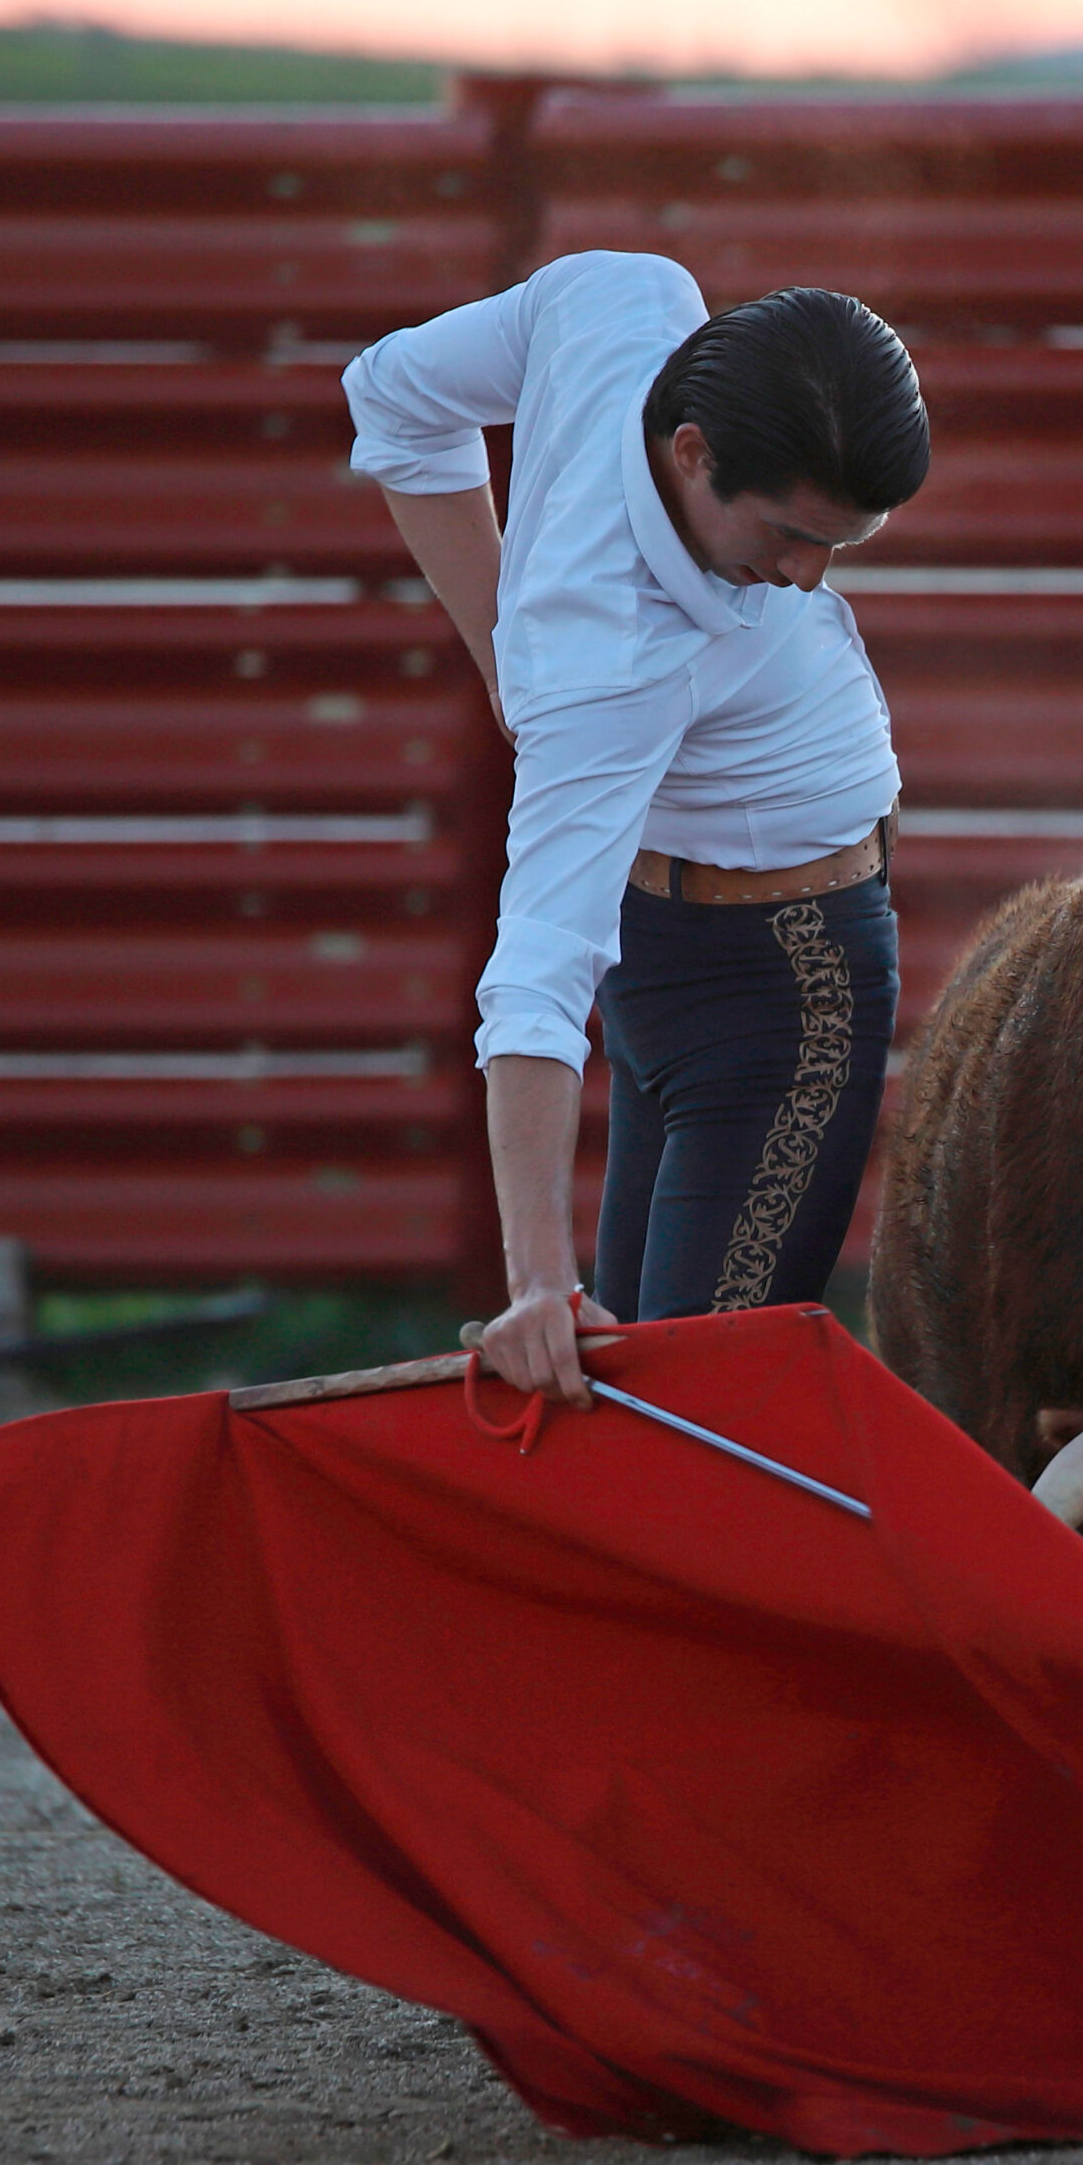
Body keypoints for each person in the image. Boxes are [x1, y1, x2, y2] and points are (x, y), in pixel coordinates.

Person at [343, 252, 930, 1405]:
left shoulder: (624, 297)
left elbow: (391, 395)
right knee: (690, 1412)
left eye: (840, 545)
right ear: (692, 451)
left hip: (688, 947)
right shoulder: (609, 665)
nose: (808, 579)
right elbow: (533, 979)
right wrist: (535, 1281)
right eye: (787, 534)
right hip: (778, 987)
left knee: (654, 1398)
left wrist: (505, 659)